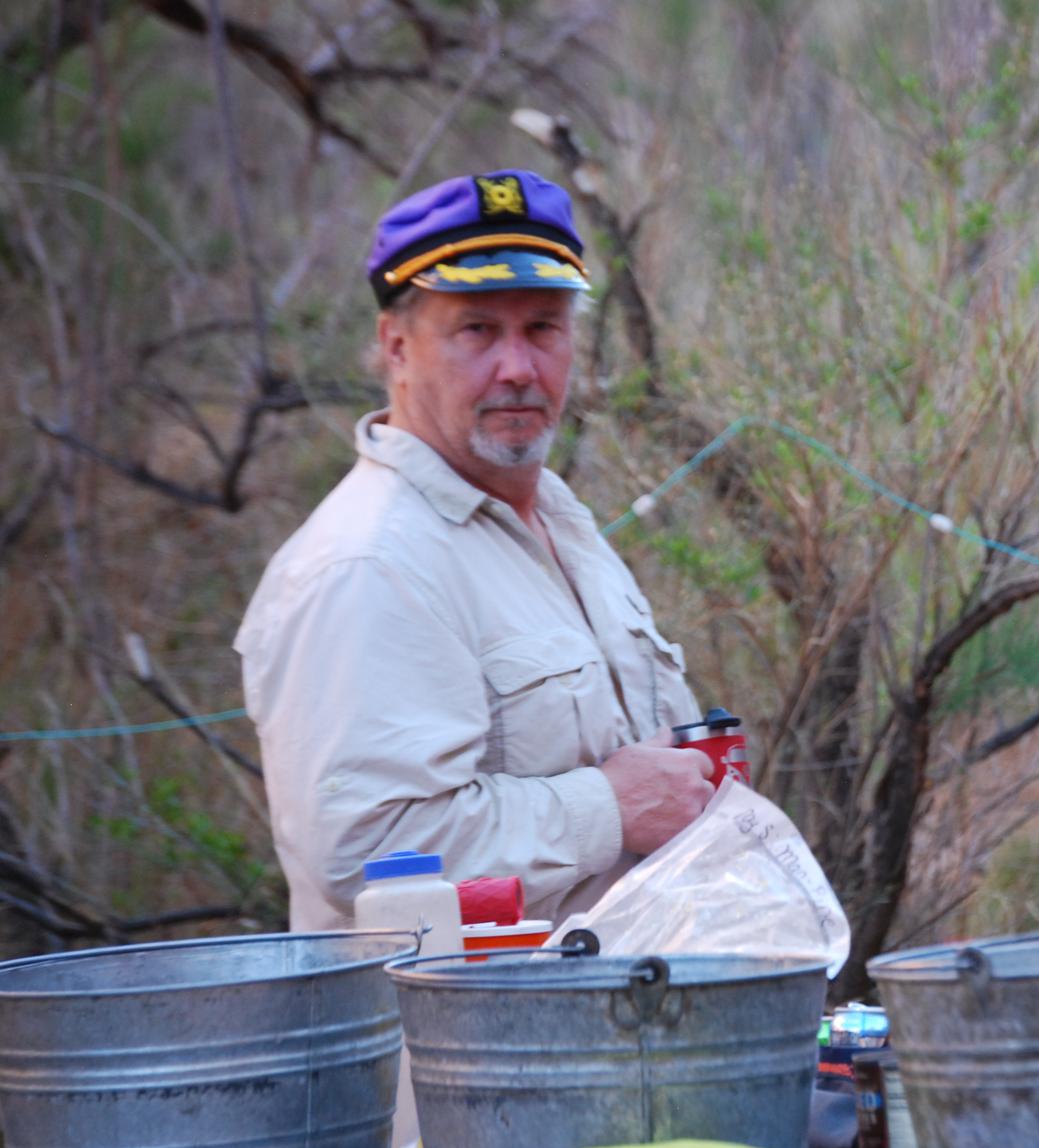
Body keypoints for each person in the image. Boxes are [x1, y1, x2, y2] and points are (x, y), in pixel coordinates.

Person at [235, 169, 714, 931]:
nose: (518, 368)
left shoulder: (555, 517)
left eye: (543, 328)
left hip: (617, 1029)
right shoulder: (365, 565)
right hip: (470, 1048)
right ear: (397, 348)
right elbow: (368, 855)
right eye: (477, 330)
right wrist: (609, 808)